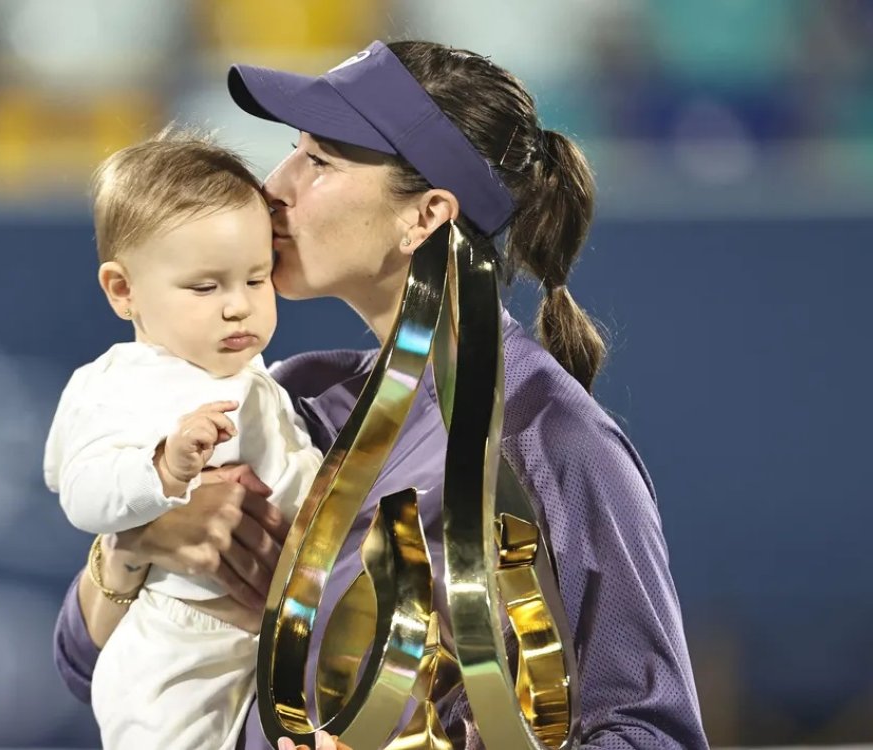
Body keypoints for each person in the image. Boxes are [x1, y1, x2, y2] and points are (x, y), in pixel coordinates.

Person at [54, 40, 709, 749]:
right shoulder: (298, 396)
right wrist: (134, 550)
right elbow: (84, 664)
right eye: (292, 149)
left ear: (424, 216)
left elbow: (649, 733)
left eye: (320, 162)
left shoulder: (551, 438)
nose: (275, 184)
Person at [43, 127, 323, 750]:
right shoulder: (121, 382)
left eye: (257, 279)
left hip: (263, 646)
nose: (238, 307)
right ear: (123, 290)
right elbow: (82, 491)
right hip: (177, 646)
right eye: (205, 286)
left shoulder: (262, 379)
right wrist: (164, 472)